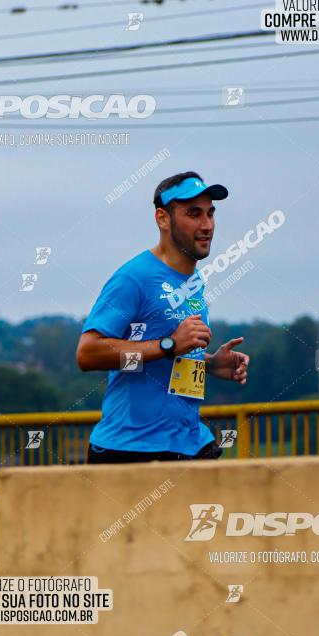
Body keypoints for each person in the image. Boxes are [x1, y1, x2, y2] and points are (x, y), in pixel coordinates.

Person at [76, 170, 250, 464]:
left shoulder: (193, 280)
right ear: (163, 219)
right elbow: (88, 354)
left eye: (210, 214)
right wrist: (168, 344)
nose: (207, 225)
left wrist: (208, 363)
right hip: (131, 450)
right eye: (194, 213)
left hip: (189, 444)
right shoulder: (134, 277)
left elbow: (164, 351)